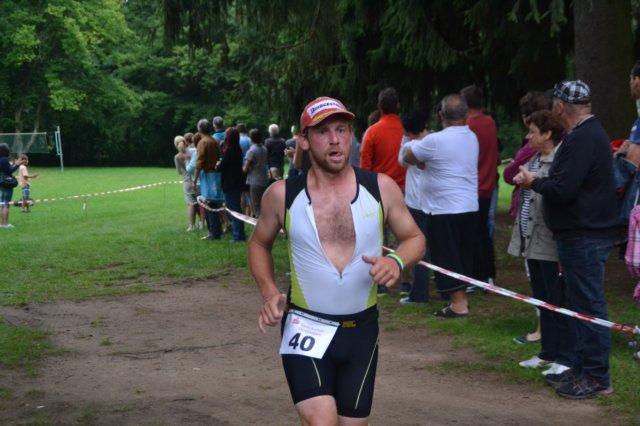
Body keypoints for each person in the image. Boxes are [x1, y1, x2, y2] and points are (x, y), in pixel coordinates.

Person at [248, 96, 425, 425]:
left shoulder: (381, 188)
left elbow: (415, 238)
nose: (334, 139)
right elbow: (259, 243)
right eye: (323, 132)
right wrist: (269, 292)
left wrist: (397, 262)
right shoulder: (282, 195)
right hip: (306, 326)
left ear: (350, 136)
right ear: (304, 140)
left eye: (341, 130)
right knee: (322, 420)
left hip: (361, 332)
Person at [516, 80, 617, 399]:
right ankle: (583, 366)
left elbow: (563, 189)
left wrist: (535, 183)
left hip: (584, 235)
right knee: (580, 304)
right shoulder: (586, 135)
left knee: (588, 306)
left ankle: (597, 376)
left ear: (560, 107)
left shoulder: (584, 138)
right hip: (581, 233)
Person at [507, 110, 575, 379]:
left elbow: (559, 193)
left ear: (547, 134)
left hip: (549, 242)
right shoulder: (534, 158)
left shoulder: (560, 161)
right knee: (541, 298)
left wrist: (533, 183)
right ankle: (548, 351)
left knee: (557, 299)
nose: (528, 136)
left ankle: (565, 356)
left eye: (533, 131)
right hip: (530, 239)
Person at [403, 94, 478, 318]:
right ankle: (459, 298)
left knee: (446, 257)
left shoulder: (435, 141)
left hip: (443, 208)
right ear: (466, 115)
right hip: (468, 205)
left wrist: (422, 160)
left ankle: (458, 304)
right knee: (462, 255)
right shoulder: (471, 137)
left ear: (441, 115)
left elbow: (408, 156)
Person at [503, 90, 553, 345]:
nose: (527, 134)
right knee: (539, 282)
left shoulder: (543, 153)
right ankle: (545, 336)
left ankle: (545, 333)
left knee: (547, 286)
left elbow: (509, 173)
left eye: (532, 129)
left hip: (543, 232)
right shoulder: (534, 152)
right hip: (529, 227)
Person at [360, 87, 407, 295]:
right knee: (404, 237)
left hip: (378, 191)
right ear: (398, 106)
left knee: (378, 237)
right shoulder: (407, 131)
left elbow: (365, 168)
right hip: (405, 191)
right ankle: (406, 282)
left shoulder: (372, 132)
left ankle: (380, 281)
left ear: (379, 106)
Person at [460, 85, 498, 287]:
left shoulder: (468, 127)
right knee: (483, 232)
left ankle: (474, 275)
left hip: (471, 187)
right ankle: (488, 273)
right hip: (488, 185)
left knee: (470, 234)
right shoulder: (490, 123)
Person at [398, 111, 431, 304]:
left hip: (415, 203)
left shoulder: (410, 146)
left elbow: (401, 161)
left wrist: (404, 137)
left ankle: (419, 292)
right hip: (434, 202)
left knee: (419, 247)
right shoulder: (434, 142)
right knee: (434, 246)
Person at [193, 118, 224, 241]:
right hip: (216, 174)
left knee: (209, 204)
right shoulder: (214, 141)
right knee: (214, 204)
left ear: (199, 129)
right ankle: (216, 231)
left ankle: (214, 233)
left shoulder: (203, 142)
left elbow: (199, 162)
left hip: (208, 176)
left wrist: (195, 180)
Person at [216, 127, 246, 241]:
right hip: (237, 181)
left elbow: (222, 166)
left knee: (234, 209)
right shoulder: (238, 149)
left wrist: (217, 165)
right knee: (236, 207)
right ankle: (239, 233)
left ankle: (238, 235)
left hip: (230, 183)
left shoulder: (230, 151)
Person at [243, 128, 269, 217]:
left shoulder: (252, 150)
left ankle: (259, 222)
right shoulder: (264, 148)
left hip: (255, 180)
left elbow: (245, 169)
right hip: (264, 179)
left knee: (256, 205)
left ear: (251, 138)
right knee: (264, 204)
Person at [174, 136, 197, 231]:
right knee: (201, 203)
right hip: (197, 180)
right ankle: (202, 224)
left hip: (187, 181)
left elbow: (179, 172)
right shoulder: (194, 151)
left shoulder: (177, 157)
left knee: (191, 204)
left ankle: (192, 226)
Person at [0, 143, 24, 228]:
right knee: (6, 203)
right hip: (7, 183)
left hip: (1, 182)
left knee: (2, 203)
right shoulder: (4, 159)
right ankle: (5, 224)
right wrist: (17, 164)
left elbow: (6, 169)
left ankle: (1, 223)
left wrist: (13, 164)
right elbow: (10, 171)